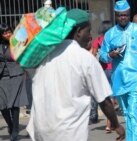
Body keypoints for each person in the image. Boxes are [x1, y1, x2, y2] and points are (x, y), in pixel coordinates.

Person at [26, 9, 125, 141]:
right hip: (68, 132)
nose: (90, 36)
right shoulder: (85, 59)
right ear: (78, 32)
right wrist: (116, 124)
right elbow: (104, 100)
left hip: (40, 130)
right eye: (88, 31)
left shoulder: (45, 55)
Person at [100, 0, 137, 140]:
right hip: (119, 79)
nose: (123, 18)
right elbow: (102, 55)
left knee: (133, 112)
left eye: (125, 15)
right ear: (116, 15)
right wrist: (110, 55)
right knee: (127, 114)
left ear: (129, 14)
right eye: (120, 15)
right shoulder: (110, 34)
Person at [0, 23, 29, 141]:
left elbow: (24, 55)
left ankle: (15, 131)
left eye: (8, 32)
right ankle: (11, 125)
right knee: (2, 105)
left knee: (14, 105)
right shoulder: (1, 44)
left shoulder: (17, 42)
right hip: (2, 76)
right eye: (4, 32)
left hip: (16, 75)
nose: (7, 34)